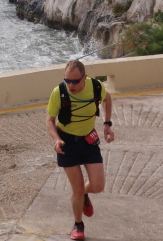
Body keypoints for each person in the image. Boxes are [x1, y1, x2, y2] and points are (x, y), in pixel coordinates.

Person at [46, 59, 114, 240]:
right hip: (66, 142)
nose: (71, 85)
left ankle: (84, 194)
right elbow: (50, 121)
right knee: (76, 188)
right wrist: (56, 139)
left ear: (85, 77)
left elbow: (107, 99)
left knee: (98, 186)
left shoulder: (96, 87)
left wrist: (107, 124)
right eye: (67, 80)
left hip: (88, 140)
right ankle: (78, 224)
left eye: (75, 81)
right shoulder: (59, 92)